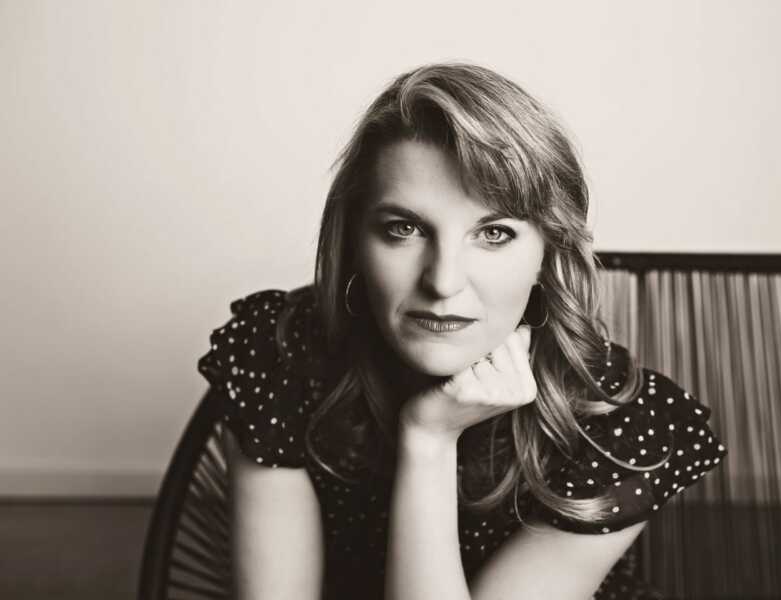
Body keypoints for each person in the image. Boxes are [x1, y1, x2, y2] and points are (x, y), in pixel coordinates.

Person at [197, 62, 728, 600]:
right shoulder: (284, 351)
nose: (444, 282)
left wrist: (428, 440)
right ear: (353, 240)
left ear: (549, 253)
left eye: (493, 233)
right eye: (403, 229)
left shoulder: (621, 422)